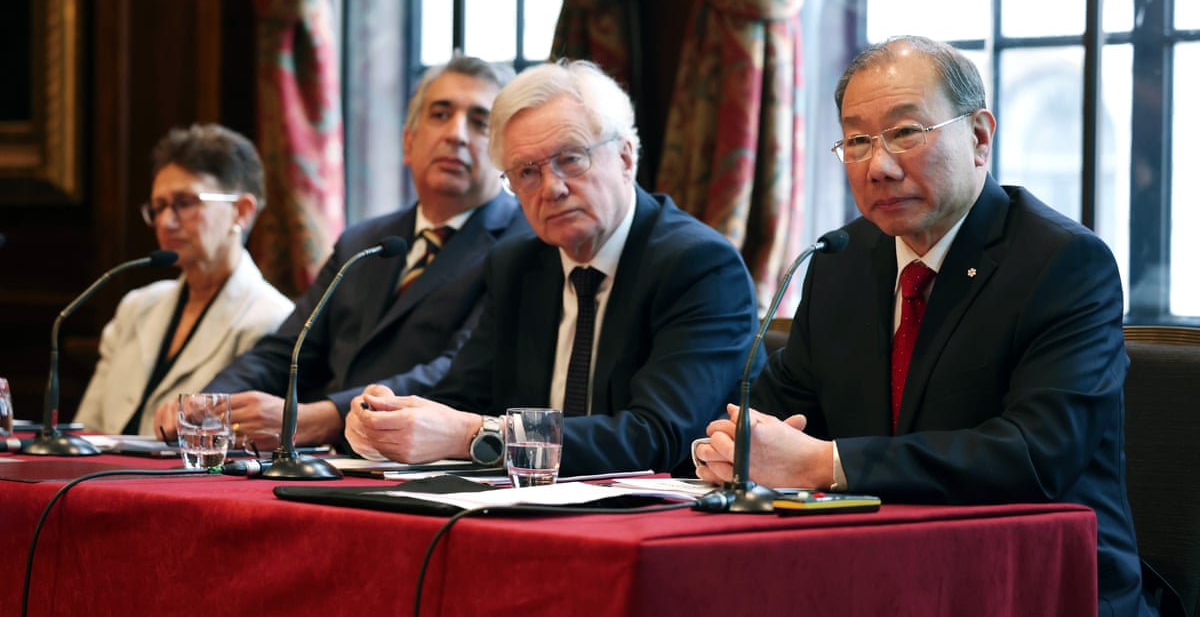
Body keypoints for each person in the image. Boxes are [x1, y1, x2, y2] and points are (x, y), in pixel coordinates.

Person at [693, 35, 1150, 615]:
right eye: (857, 140)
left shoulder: (1062, 264)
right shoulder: (842, 262)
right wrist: (735, 448)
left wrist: (826, 464)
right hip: (874, 577)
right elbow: (782, 413)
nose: (878, 166)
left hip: (1034, 585)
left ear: (980, 137)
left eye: (906, 133)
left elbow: (1035, 455)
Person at [344, 59, 762, 477]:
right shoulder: (517, 264)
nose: (552, 188)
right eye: (526, 172)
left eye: (571, 159)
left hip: (663, 519)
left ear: (625, 158)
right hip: (534, 510)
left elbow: (657, 436)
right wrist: (390, 419)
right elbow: (459, 400)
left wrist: (477, 434)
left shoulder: (700, 266)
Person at [156, 55, 529, 448]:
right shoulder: (364, 241)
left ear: (504, 151)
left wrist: (330, 415)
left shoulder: (521, 244)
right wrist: (207, 403)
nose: (456, 134)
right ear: (408, 142)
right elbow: (287, 350)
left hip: (433, 463)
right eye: (440, 114)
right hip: (337, 460)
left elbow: (456, 369)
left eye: (479, 122)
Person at [75, 124, 293, 436]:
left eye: (185, 203)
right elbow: (87, 429)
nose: (165, 221)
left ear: (241, 211)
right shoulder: (137, 306)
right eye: (159, 207)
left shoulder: (272, 320)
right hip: (97, 481)